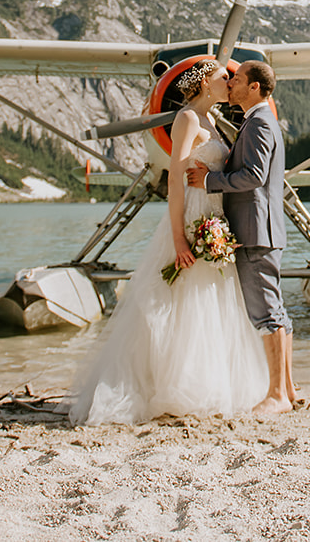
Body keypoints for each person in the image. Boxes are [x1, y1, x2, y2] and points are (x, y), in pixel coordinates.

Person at [67, 60, 268, 425]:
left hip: (214, 216)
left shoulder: (210, 121)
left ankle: (207, 383)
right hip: (192, 217)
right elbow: (176, 181)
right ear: (206, 83)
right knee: (182, 299)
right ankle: (172, 386)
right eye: (225, 78)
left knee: (210, 302)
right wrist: (179, 238)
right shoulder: (187, 119)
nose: (232, 82)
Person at [187, 59, 298, 414]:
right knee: (277, 311)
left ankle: (277, 395)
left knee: (267, 314)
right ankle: (289, 391)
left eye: (237, 80)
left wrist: (208, 181)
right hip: (260, 228)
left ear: (254, 88)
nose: (231, 84)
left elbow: (253, 176)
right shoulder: (257, 122)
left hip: (255, 230)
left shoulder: (260, 123)